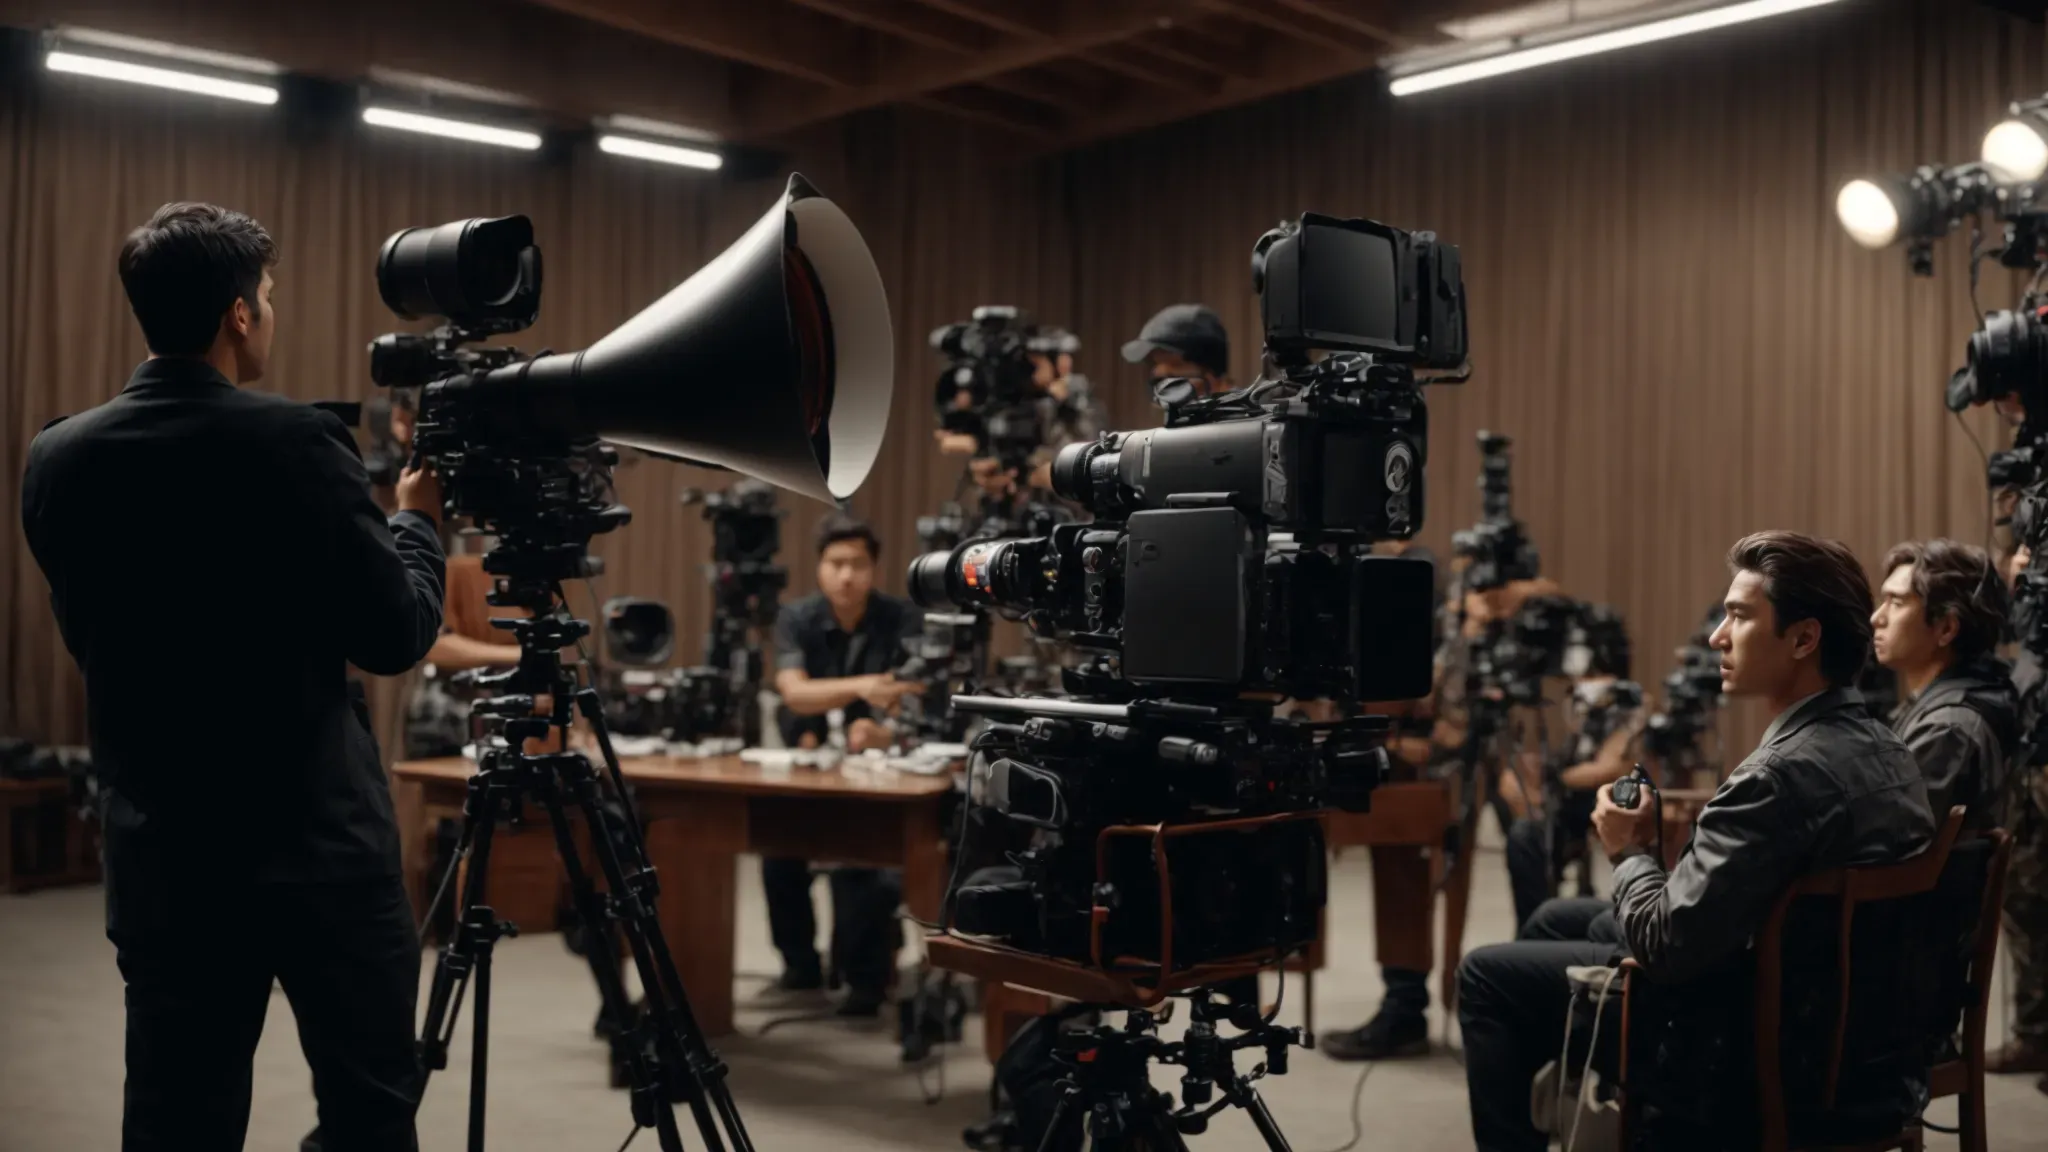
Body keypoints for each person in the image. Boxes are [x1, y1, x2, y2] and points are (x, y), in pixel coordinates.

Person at [19, 203, 446, 1151]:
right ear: (240, 313)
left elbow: (96, 637)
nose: (271, 313)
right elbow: (396, 633)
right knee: (370, 1113)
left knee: (176, 1122)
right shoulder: (299, 441)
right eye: (270, 296)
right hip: (319, 850)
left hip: (165, 857)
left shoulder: (57, 455)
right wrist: (418, 520)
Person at [1455, 531, 1934, 1152]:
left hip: (1752, 1050)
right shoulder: (1890, 748)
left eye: (1739, 616)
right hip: (1866, 1045)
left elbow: (1666, 946)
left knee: (1487, 975)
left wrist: (1630, 850)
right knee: (1555, 920)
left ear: (1803, 639)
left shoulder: (1775, 776)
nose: (1717, 637)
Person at [763, 514, 923, 1014]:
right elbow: (793, 692)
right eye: (836, 563)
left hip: (881, 768)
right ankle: (800, 965)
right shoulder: (797, 618)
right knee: (777, 852)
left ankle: (864, 980)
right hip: (809, 762)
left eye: (857, 563)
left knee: (861, 863)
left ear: (874, 568)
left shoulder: (901, 618)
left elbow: (913, 692)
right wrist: (864, 688)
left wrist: (883, 728)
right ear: (819, 567)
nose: (846, 575)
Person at [1500, 628, 1642, 933]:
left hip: (1610, 802)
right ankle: (1531, 931)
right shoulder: (1569, 703)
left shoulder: (1632, 704)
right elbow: (1539, 759)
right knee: (1524, 837)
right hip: (1563, 806)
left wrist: (1559, 775)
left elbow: (1609, 768)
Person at [1870, 538, 2018, 831]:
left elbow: (1885, 839)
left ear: (1946, 628)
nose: (1877, 618)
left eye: (1896, 603)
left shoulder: (1947, 729)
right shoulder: (1946, 706)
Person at [1120, 302, 1232, 403]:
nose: (1159, 373)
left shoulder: (1238, 415)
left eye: (1174, 366)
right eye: (1153, 364)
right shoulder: (1185, 416)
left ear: (1210, 371)